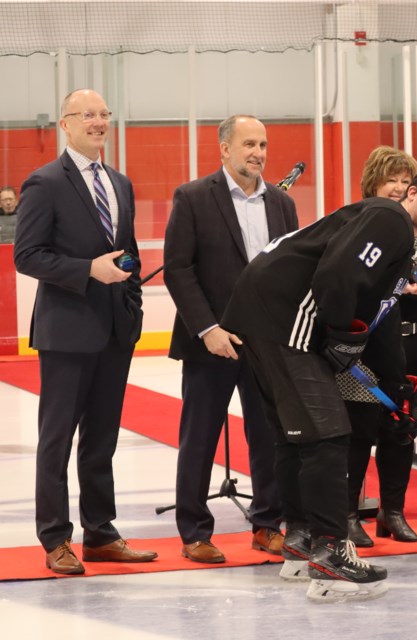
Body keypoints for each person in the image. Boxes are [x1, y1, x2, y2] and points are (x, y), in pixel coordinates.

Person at [221, 167, 417, 602]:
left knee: (294, 436)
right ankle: (331, 555)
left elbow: (378, 319)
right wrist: (339, 335)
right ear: (412, 193)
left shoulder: (398, 254)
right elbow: (337, 275)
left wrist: (395, 387)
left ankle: (300, 540)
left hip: (258, 314)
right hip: (282, 317)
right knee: (329, 432)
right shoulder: (389, 219)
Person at [14, 89, 157, 575]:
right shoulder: (44, 182)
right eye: (87, 115)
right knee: (56, 439)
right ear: (66, 124)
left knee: (102, 439)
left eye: (103, 114)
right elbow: (27, 255)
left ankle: (100, 533)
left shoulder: (119, 183)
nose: (98, 122)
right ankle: (55, 538)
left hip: (116, 330)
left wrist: (132, 307)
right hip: (67, 331)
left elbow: (127, 252)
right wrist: (87, 271)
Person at [163, 115, 297, 564]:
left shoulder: (281, 203)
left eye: (263, 144)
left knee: (269, 436)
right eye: (248, 144)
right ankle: (195, 531)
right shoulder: (194, 197)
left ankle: (266, 525)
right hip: (211, 341)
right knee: (199, 438)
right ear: (224, 149)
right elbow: (178, 269)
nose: (257, 152)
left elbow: (289, 271)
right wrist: (208, 329)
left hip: (266, 343)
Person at [342, 146, 417, 548]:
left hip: (414, 347)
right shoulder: (359, 225)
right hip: (369, 353)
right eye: (389, 178)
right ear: (371, 183)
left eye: (403, 179)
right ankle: (348, 516)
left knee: (401, 435)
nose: (397, 186)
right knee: (357, 437)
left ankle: (393, 512)